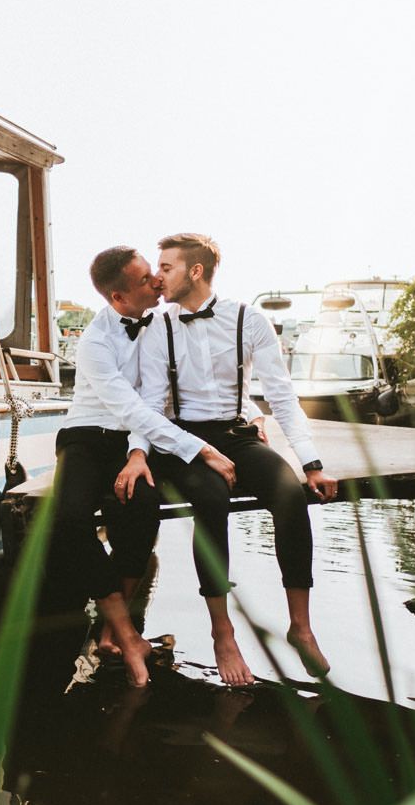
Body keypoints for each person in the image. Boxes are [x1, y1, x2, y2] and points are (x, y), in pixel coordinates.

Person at [116, 233, 336, 686]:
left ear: (195, 271)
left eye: (167, 267)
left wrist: (311, 462)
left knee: (289, 493)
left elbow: (280, 392)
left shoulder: (248, 320)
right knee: (211, 499)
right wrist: (139, 452)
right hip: (183, 441)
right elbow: (150, 402)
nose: (158, 277)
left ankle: (301, 625)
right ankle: (223, 631)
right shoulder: (159, 324)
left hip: (236, 433)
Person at [50, 245, 175, 688]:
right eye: (145, 280)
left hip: (131, 438)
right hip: (86, 435)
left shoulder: (162, 325)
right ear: (119, 299)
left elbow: (148, 404)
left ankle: (109, 630)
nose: (156, 282)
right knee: (68, 520)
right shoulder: (95, 341)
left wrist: (138, 454)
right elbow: (124, 403)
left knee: (142, 505)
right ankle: (125, 630)